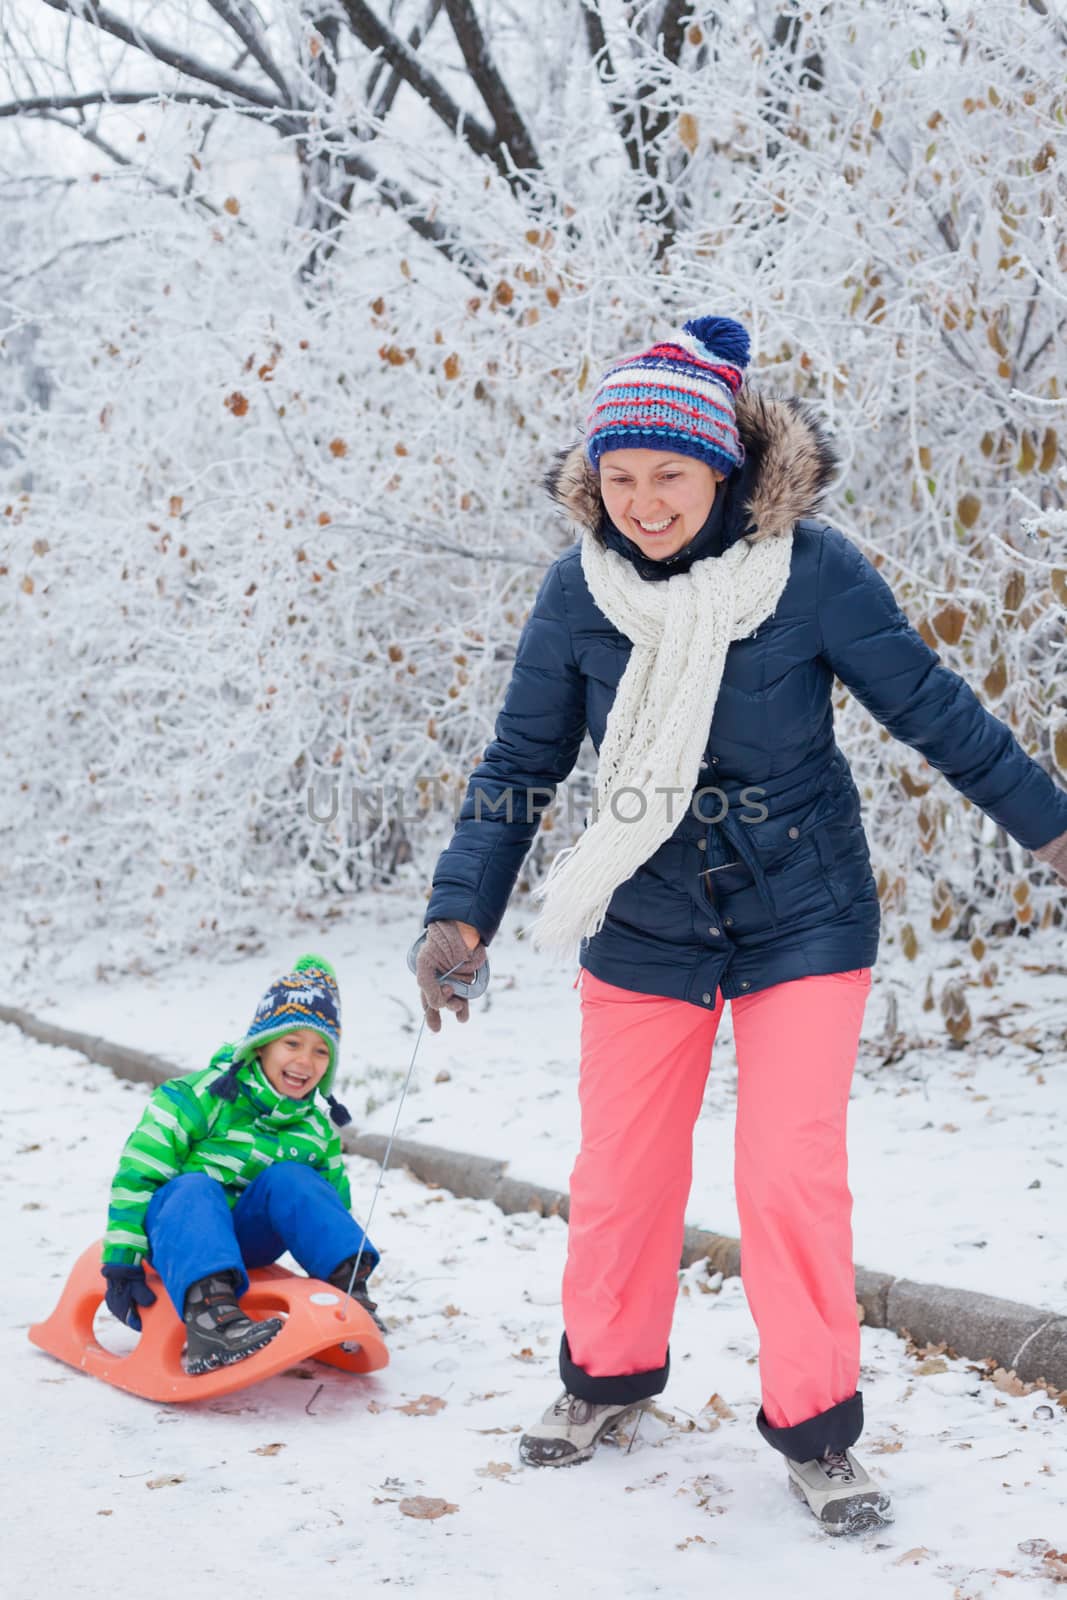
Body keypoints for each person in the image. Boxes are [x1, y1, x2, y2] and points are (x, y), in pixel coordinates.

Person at [412, 314, 1067, 1532]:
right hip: (645, 911)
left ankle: (816, 1429)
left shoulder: (809, 571)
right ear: (592, 480)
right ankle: (603, 1381)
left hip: (801, 911)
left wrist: (1050, 827)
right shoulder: (577, 590)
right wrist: (461, 915)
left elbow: (933, 709)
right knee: (620, 1170)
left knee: (786, 1176)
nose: (644, 502)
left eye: (668, 474)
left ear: (718, 467)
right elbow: (518, 764)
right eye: (620, 476)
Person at [100, 953, 384, 1375]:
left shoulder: (315, 1131)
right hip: (180, 1233)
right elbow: (139, 1172)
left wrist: (341, 1261)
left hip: (250, 1240)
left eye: (321, 1051)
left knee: (294, 1179)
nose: (305, 1062)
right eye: (292, 1043)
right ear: (261, 1044)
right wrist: (121, 1259)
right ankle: (210, 1318)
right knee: (195, 1186)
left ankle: (348, 1294)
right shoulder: (199, 1097)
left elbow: (329, 1208)